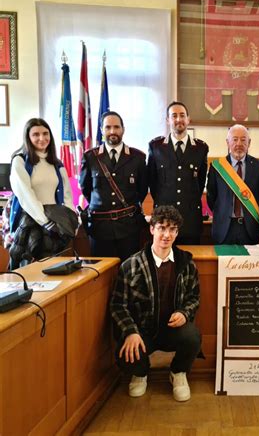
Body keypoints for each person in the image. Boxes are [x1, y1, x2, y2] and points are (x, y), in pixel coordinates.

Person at [110, 205, 201, 401]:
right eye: (161, 228)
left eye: (172, 229)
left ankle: (178, 372)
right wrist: (130, 331)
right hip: (143, 332)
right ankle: (141, 373)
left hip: (172, 330)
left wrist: (184, 313)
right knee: (121, 352)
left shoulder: (187, 263)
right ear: (152, 229)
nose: (166, 234)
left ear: (177, 233)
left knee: (193, 336)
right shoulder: (131, 265)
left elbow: (194, 297)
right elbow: (118, 305)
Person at [9, 118, 77, 268]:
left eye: (45, 133)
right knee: (28, 271)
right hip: (31, 221)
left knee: (51, 271)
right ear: (28, 137)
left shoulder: (57, 164)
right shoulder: (20, 161)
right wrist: (45, 221)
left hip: (54, 223)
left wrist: (71, 221)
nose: (42, 138)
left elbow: (67, 196)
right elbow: (26, 195)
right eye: (36, 134)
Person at [80, 111, 148, 261]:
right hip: (100, 229)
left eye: (116, 127)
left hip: (128, 227)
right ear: (101, 130)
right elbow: (86, 189)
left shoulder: (137, 158)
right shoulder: (90, 157)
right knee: (101, 276)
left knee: (130, 274)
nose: (112, 131)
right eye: (108, 127)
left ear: (123, 129)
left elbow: (142, 190)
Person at [148, 102, 209, 245]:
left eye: (182, 115)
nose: (178, 119)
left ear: (188, 119)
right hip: (164, 220)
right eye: (174, 116)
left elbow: (200, 182)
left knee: (190, 262)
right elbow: (152, 182)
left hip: (190, 220)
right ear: (168, 120)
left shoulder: (200, 148)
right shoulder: (156, 147)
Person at [206, 124, 259, 244]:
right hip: (224, 229)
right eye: (234, 139)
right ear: (227, 142)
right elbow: (211, 197)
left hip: (249, 228)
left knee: (249, 263)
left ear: (249, 143)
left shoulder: (258, 166)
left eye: (243, 140)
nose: (239, 144)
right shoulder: (217, 166)